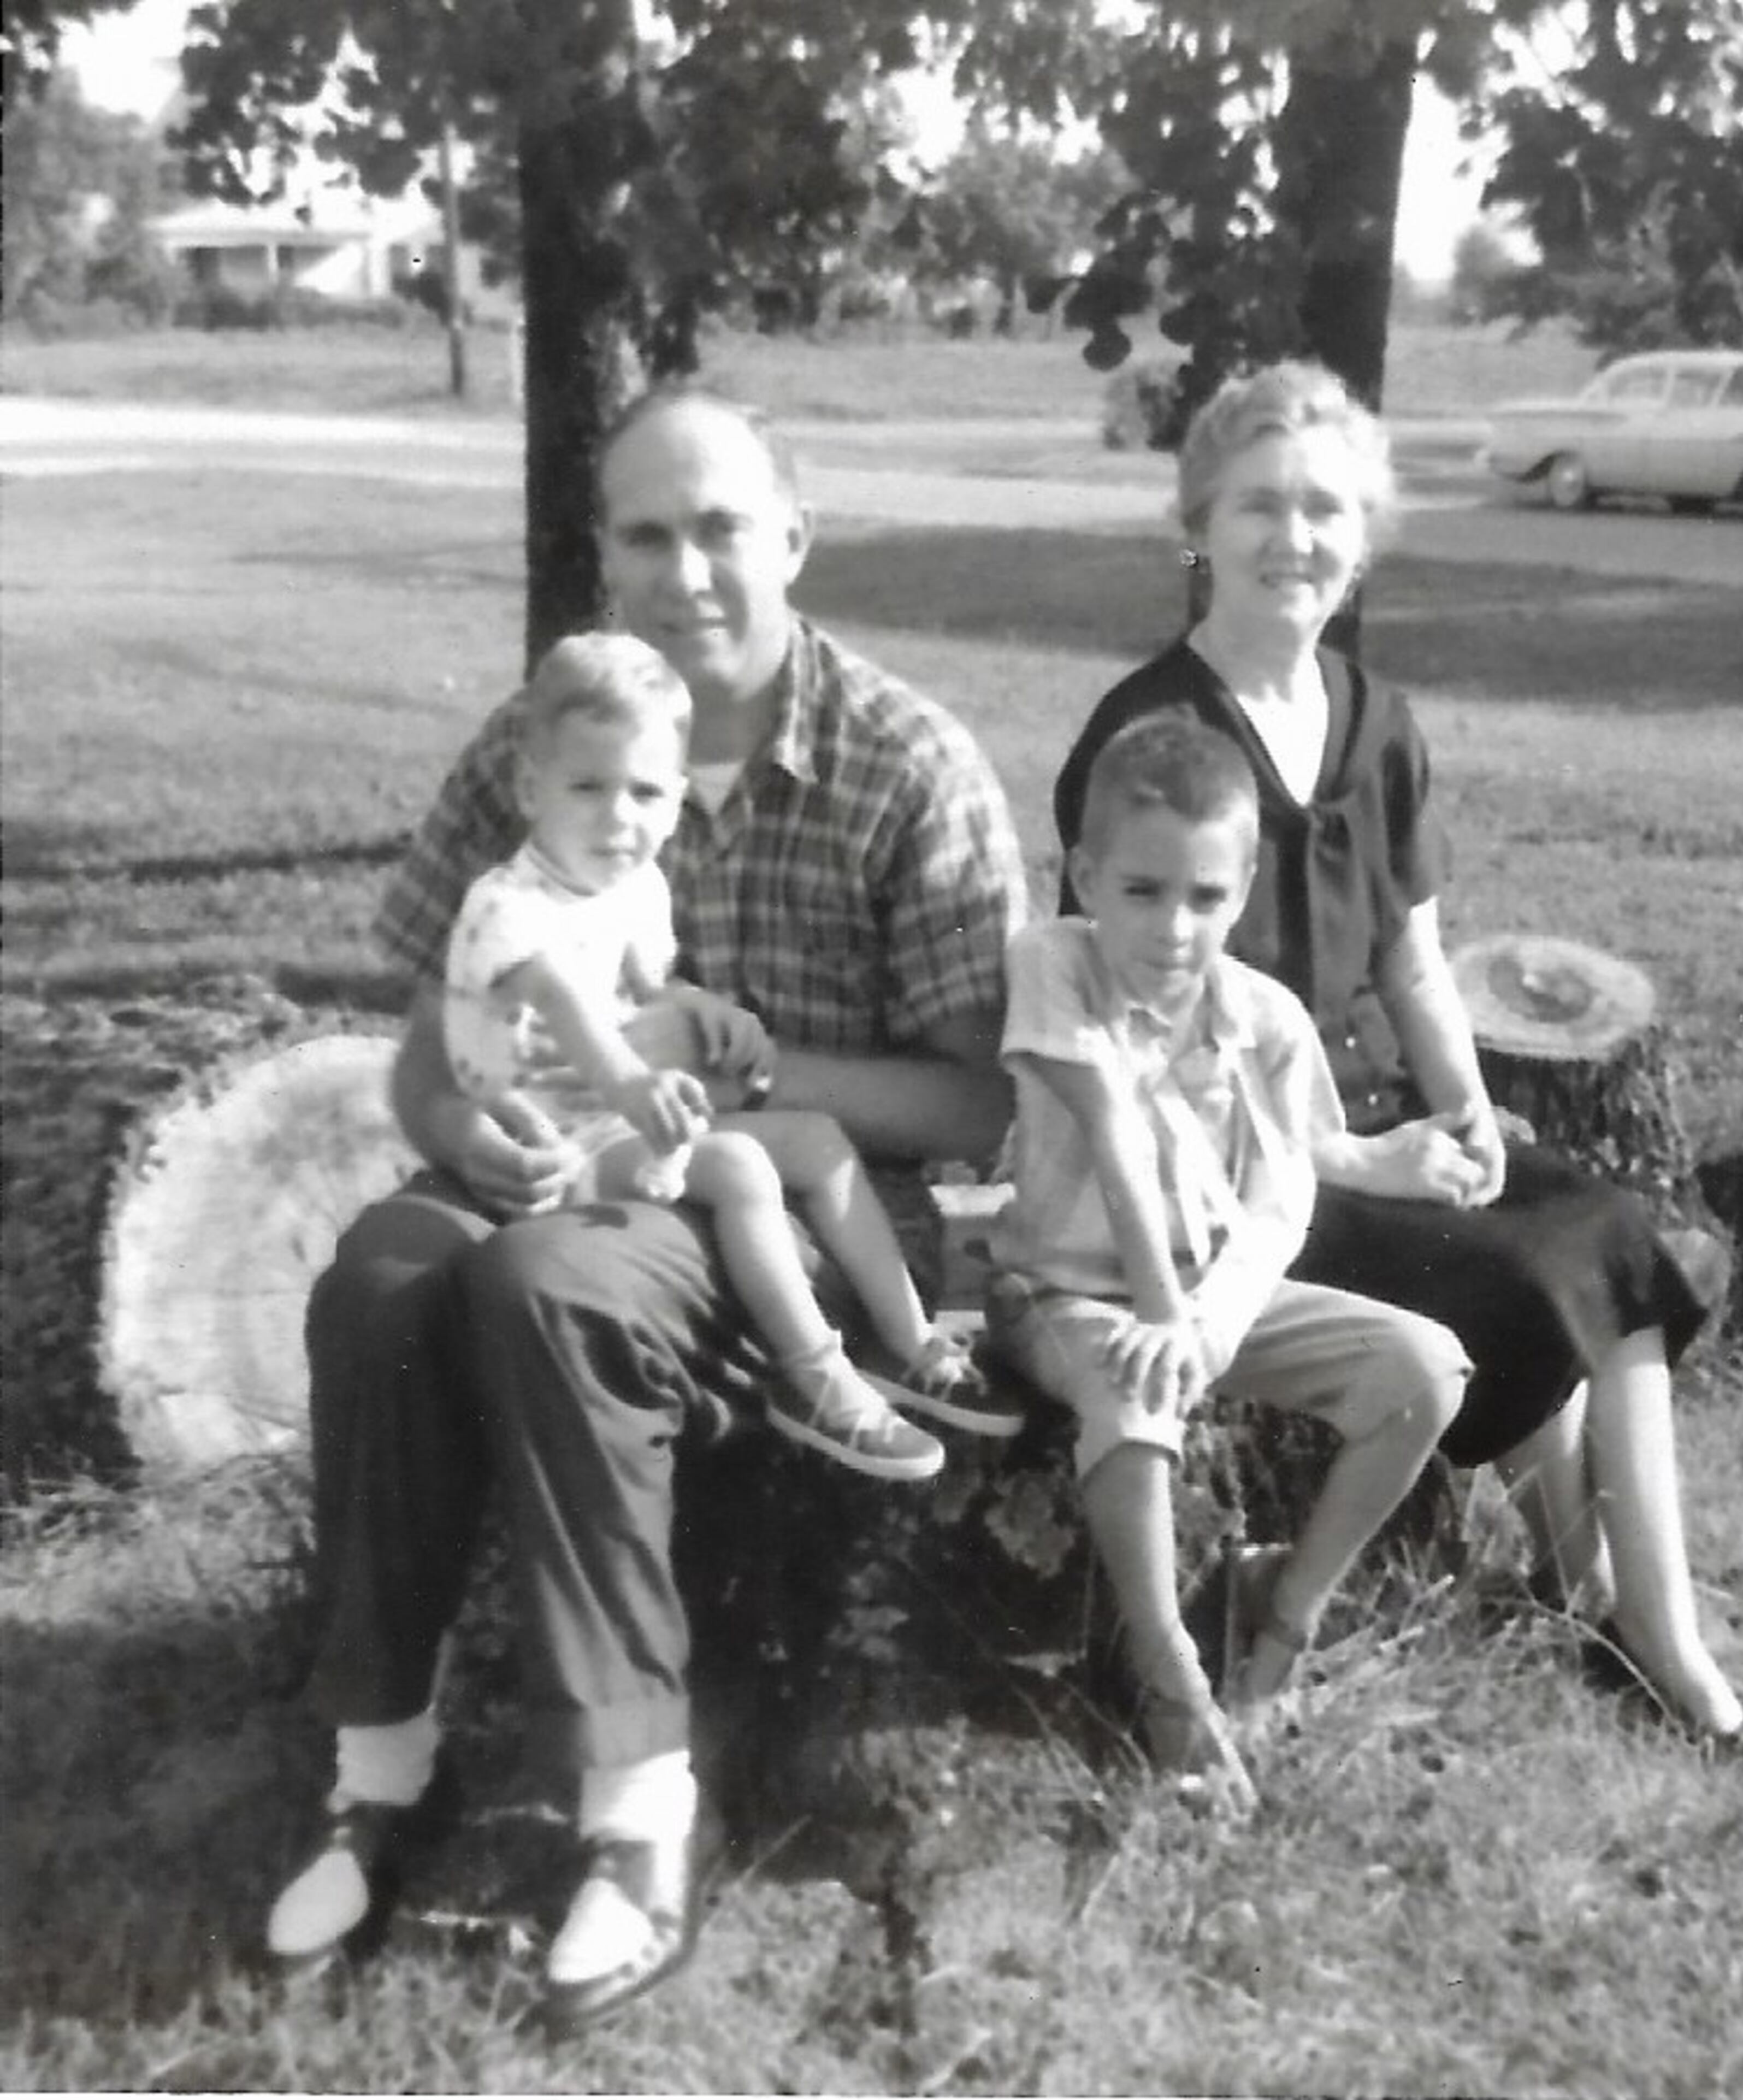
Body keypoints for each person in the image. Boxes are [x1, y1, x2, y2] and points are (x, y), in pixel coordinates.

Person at [264, 382, 1030, 2034]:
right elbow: (421, 1063)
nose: (689, 571)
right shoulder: (538, 742)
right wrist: (474, 1131)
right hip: (554, 1160)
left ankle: (637, 1806)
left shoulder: (910, 763)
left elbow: (979, 1097)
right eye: (647, 533)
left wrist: (719, 1073)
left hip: (786, 1210)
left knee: (557, 1287)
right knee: (386, 1279)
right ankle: (376, 1762)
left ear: (796, 542)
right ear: (602, 556)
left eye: (724, 528)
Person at [1053, 359, 1743, 1748]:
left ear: (1362, 533)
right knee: (1516, 1267)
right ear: (1200, 523)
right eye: (1258, 505)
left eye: (1324, 508)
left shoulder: (1379, 722)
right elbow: (1129, 1025)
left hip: (1386, 1118)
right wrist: (1358, 1151)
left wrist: (1472, 1114)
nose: (1291, 537)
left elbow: (1415, 960)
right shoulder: (1151, 738)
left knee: (1602, 1223)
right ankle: (1612, 1607)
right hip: (1247, 1165)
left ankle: (1643, 1614)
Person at [985, 715, 1475, 1813]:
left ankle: (1284, 1612)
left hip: (1210, 1298)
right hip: (1066, 1294)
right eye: (1145, 890)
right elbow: (1109, 1124)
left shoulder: (1266, 1017)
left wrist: (1203, 1317)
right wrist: (1164, 1319)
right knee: (1133, 1385)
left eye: (1207, 899)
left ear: (1244, 887)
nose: (1173, 927)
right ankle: (1172, 1680)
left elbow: (1284, 1192)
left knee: (1424, 1367)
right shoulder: (1053, 962)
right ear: (1086, 874)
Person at [444, 627, 992, 1482]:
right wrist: (642, 1090)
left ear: (673, 801)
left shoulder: (633, 885)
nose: (620, 818)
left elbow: (644, 986)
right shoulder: (509, 908)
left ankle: (909, 1337)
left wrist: (708, 1011)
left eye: (647, 794)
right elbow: (574, 1017)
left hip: (624, 1114)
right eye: (588, 787)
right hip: (550, 1135)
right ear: (529, 785)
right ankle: (818, 1376)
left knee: (812, 1137)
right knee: (738, 1165)